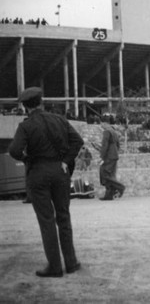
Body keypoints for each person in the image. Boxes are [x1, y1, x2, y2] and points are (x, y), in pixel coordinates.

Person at [9, 87, 84, 277]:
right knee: (64, 217)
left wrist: (27, 159)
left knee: (46, 220)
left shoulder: (25, 126)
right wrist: (66, 161)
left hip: (38, 174)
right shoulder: (59, 119)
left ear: (26, 107)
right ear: (42, 102)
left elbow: (14, 151)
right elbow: (78, 141)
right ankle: (72, 262)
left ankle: (55, 267)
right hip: (60, 171)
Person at [99, 123, 126, 201]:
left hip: (109, 156)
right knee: (110, 175)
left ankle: (120, 187)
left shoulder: (106, 132)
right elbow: (118, 145)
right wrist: (114, 152)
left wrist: (102, 157)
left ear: (105, 124)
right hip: (114, 155)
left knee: (104, 173)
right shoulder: (114, 132)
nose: (101, 127)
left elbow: (105, 145)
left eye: (102, 125)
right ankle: (109, 195)